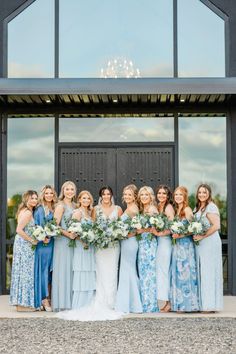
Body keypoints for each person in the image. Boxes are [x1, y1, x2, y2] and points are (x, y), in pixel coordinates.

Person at [57, 185, 123, 321]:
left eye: (108, 194)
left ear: (111, 195)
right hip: (96, 247)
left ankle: (111, 301)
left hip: (112, 247)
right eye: (103, 194)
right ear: (100, 196)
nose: (106, 196)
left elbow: (121, 227)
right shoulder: (94, 210)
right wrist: (85, 238)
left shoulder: (116, 209)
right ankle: (97, 301)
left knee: (111, 272)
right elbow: (84, 228)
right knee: (98, 272)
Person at [193, 184, 223, 312]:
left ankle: (210, 305)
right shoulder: (198, 207)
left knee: (209, 272)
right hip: (202, 244)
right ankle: (204, 303)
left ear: (209, 194)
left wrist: (201, 236)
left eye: (204, 192)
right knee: (203, 272)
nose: (201, 194)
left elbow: (216, 226)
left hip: (210, 242)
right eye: (200, 192)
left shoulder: (211, 206)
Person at [170, 186, 199, 312]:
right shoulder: (177, 210)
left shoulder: (187, 210)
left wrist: (180, 234)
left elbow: (194, 228)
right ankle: (179, 304)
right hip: (177, 246)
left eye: (180, 195)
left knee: (186, 274)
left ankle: (189, 305)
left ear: (185, 196)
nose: (177, 197)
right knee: (178, 274)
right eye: (176, 194)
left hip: (186, 246)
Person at [115, 184, 142, 313]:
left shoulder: (133, 209)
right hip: (126, 242)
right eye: (125, 194)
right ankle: (130, 302)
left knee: (128, 270)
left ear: (134, 196)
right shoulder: (129, 208)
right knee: (127, 270)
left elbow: (138, 229)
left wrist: (126, 234)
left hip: (130, 243)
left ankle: (131, 304)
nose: (126, 197)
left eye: (129, 195)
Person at [10, 190, 38, 311]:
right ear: (26, 199)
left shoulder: (26, 210)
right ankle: (22, 305)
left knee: (22, 272)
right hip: (24, 244)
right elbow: (19, 230)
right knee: (26, 273)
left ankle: (21, 303)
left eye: (36, 198)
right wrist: (32, 240)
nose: (34, 200)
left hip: (22, 244)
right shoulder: (27, 213)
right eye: (32, 198)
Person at [52, 181, 77, 311]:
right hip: (62, 242)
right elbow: (54, 226)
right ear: (63, 191)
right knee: (63, 270)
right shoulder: (60, 206)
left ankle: (72, 301)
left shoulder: (75, 205)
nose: (70, 191)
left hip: (73, 243)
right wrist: (68, 234)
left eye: (72, 189)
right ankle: (62, 302)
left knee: (71, 269)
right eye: (67, 189)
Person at [34, 185, 57, 311]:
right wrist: (42, 237)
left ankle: (49, 297)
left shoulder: (54, 208)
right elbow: (36, 227)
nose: (49, 195)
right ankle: (43, 299)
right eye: (47, 193)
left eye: (51, 193)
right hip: (43, 245)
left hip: (53, 243)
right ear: (43, 195)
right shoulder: (39, 210)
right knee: (43, 271)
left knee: (50, 272)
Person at [71, 190, 96, 309]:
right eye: (84, 198)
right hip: (82, 247)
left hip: (90, 247)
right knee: (82, 271)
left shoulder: (90, 213)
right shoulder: (77, 212)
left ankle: (90, 302)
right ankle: (80, 304)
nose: (86, 200)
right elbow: (73, 231)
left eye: (88, 198)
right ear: (79, 200)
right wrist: (83, 240)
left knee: (90, 271)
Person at [152, 185, 174, 313]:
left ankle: (168, 302)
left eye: (164, 193)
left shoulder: (168, 208)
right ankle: (166, 301)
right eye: (159, 193)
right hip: (159, 243)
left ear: (167, 196)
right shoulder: (158, 207)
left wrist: (160, 233)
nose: (161, 195)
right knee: (161, 271)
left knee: (165, 271)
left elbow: (172, 227)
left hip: (165, 243)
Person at [137, 186, 159, 313]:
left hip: (149, 243)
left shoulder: (152, 209)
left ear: (151, 196)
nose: (144, 197)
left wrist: (143, 230)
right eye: (142, 195)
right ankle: (144, 302)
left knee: (149, 274)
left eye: (146, 195)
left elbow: (156, 228)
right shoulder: (142, 209)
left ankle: (150, 305)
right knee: (143, 273)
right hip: (142, 243)